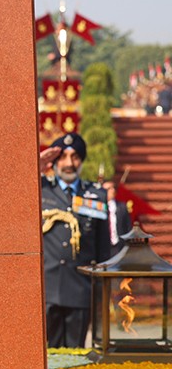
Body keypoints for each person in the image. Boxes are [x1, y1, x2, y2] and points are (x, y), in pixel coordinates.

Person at [39, 133, 110, 348]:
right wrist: (36, 166)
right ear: (54, 162)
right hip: (47, 288)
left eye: (75, 157)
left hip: (80, 289)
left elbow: (102, 247)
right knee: (46, 357)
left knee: (76, 355)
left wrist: (101, 289)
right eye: (63, 157)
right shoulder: (39, 188)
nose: (69, 163)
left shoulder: (95, 194)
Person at [102, 181, 132, 256]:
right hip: (103, 246)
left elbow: (128, 227)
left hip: (119, 245)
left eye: (113, 188)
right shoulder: (99, 207)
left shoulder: (122, 207)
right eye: (109, 188)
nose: (112, 190)